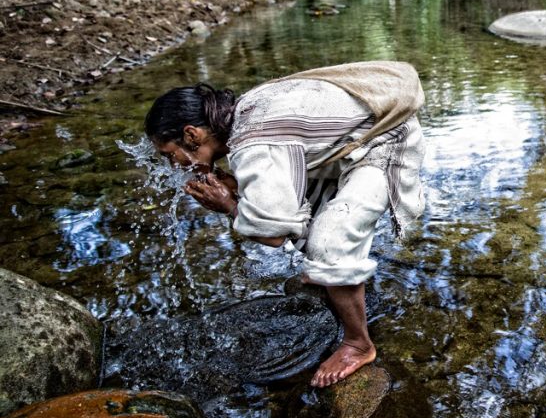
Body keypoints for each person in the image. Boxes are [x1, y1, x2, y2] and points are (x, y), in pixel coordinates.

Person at [143, 61, 425, 387]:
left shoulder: (250, 143)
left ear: (191, 135)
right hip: (349, 144)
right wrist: (237, 189)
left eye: (168, 154)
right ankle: (335, 282)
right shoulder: (244, 111)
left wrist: (228, 205)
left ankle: (358, 344)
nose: (171, 164)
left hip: (384, 142)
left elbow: (275, 234)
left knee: (329, 241)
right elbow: (278, 184)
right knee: (313, 220)